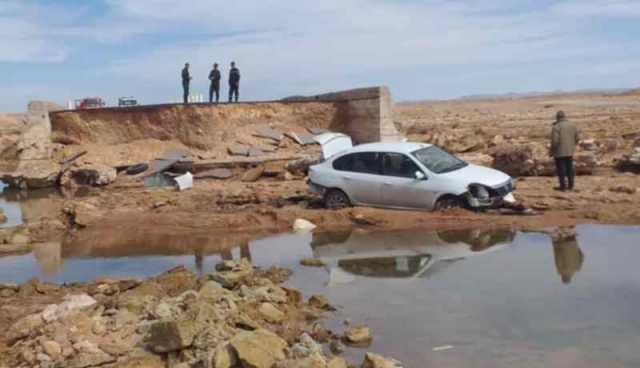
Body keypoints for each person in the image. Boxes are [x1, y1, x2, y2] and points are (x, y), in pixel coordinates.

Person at [549, 110, 579, 191]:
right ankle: (571, 186)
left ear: (557, 118)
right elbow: (577, 138)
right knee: (570, 169)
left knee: (561, 170)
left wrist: (551, 151)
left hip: (559, 152)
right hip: (570, 151)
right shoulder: (572, 125)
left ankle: (563, 187)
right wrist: (572, 146)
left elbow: (555, 141)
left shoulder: (556, 127)